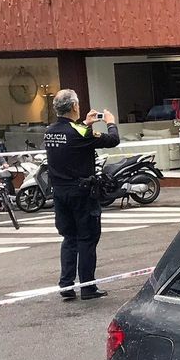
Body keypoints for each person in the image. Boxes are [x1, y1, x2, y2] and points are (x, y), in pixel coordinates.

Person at [42, 88, 119, 300]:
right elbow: (112, 140)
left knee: (69, 238)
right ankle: (88, 286)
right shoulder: (78, 132)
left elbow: (72, 136)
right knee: (87, 238)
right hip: (81, 192)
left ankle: (66, 285)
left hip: (59, 192)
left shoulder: (50, 131)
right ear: (75, 106)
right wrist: (110, 122)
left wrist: (85, 123)